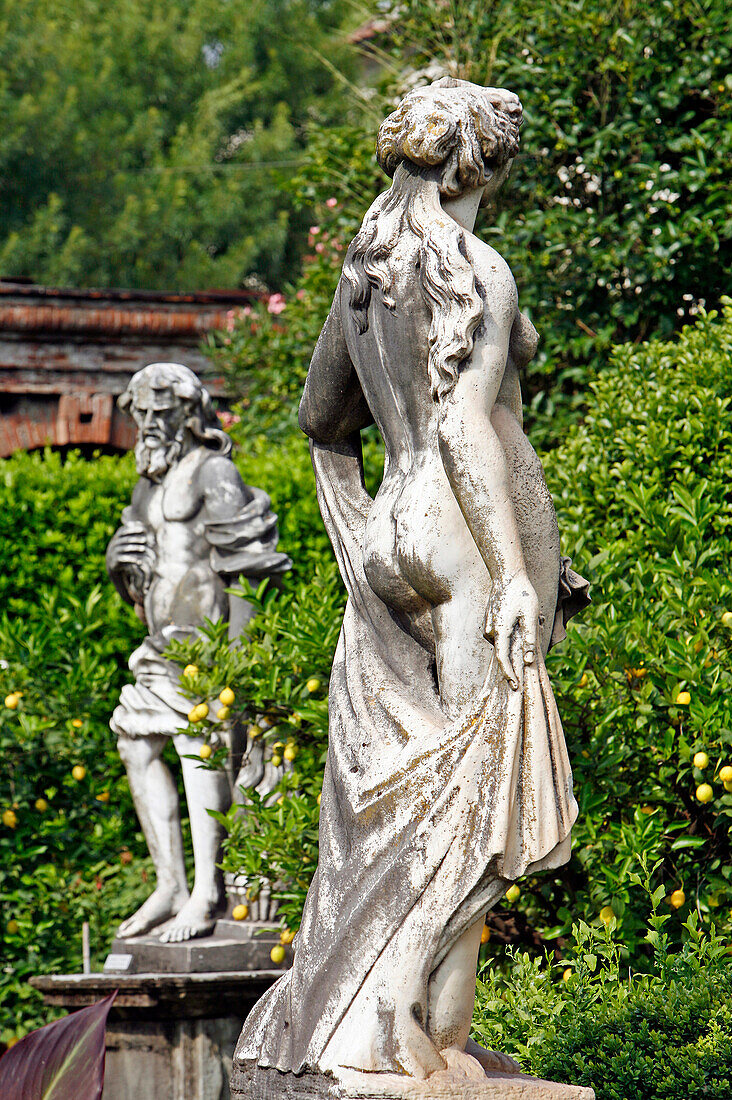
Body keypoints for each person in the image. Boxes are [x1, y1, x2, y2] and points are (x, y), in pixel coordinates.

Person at [234, 78, 588, 1090]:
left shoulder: (366, 275)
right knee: (477, 789)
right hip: (460, 544)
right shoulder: (479, 268)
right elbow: (471, 428)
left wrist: (356, 526)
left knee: (394, 793)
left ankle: (431, 1033)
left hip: (393, 528)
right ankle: (388, 1022)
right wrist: (517, 572)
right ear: (484, 163)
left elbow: (319, 419)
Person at [106, 362, 290, 942]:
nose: (150, 424)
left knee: (197, 751)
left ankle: (208, 891)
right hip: (160, 648)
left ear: (190, 414)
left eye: (161, 413)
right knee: (136, 746)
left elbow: (250, 570)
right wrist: (119, 564)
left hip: (211, 654)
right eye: (142, 415)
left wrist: (242, 658)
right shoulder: (147, 485)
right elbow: (139, 583)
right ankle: (171, 885)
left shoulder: (216, 472)